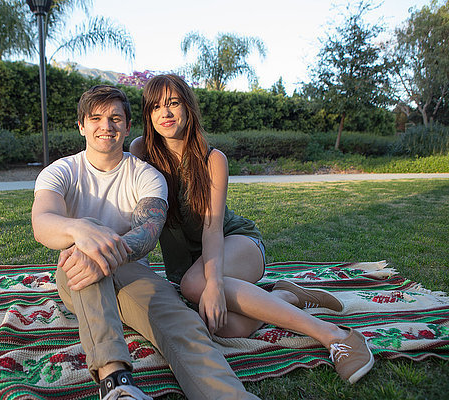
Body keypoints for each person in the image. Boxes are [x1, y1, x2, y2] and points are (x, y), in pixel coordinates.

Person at [129, 74, 375, 384]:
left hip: (235, 242)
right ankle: (286, 296)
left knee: (196, 286)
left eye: (173, 103)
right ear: (147, 115)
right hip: (188, 264)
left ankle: (335, 335)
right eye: (155, 107)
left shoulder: (212, 159)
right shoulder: (141, 151)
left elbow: (212, 229)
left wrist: (214, 284)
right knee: (228, 327)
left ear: (188, 108)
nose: (164, 113)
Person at [31, 85, 261, 399]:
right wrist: (82, 230)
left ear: (127, 126)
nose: (106, 126)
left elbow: (148, 232)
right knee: (84, 256)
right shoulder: (62, 171)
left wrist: (102, 249)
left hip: (132, 272)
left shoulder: (146, 175)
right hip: (77, 276)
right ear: (81, 126)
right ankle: (116, 385)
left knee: (184, 323)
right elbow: (42, 222)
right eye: (95, 118)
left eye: (115, 118)